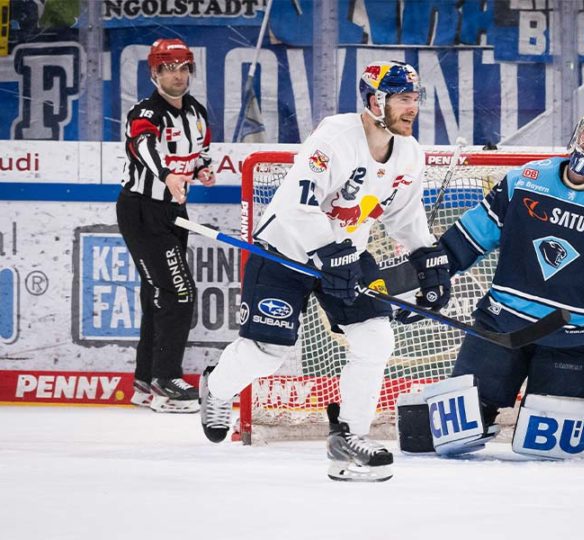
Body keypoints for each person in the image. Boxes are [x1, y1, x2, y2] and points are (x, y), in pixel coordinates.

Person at [199, 61, 451, 481]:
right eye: (403, 99)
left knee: (375, 337)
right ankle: (217, 388)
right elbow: (297, 206)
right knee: (265, 355)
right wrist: (327, 251)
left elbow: (405, 217)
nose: (412, 108)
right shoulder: (334, 136)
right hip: (288, 251)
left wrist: (429, 258)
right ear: (375, 101)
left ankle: (348, 437)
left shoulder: (410, 154)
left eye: (415, 99)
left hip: (347, 254)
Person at [423, 110, 584, 454]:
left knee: (550, 450)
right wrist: (429, 276)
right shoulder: (526, 179)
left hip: (574, 341)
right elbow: (469, 237)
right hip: (500, 327)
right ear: (577, 133)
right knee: (444, 437)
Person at [116, 38, 216, 413]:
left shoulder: (196, 112)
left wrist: (202, 170)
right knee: (179, 293)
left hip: (174, 211)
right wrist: (167, 175)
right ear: (154, 73)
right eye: (168, 68)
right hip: (142, 209)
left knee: (156, 296)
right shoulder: (145, 111)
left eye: (183, 67)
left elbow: (201, 151)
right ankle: (166, 380)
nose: (177, 75)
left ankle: (145, 381)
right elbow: (143, 145)